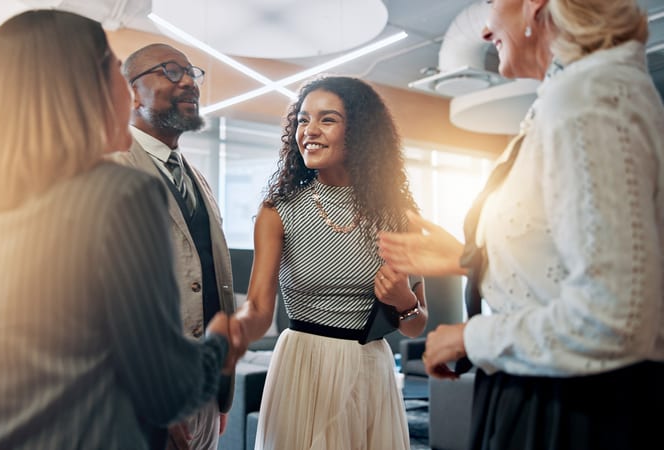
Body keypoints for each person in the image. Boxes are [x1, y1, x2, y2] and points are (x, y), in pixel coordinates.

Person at [0, 10, 238, 450]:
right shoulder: (120, 194)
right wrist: (222, 342)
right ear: (94, 87)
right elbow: (165, 390)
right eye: (111, 67)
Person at [378, 0, 664, 448]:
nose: (486, 29)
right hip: (548, 393)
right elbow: (559, 255)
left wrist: (472, 337)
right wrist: (466, 259)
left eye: (491, 3)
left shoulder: (587, 100)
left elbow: (616, 320)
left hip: (572, 410)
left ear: (536, 6)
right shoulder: (573, 95)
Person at [233, 75, 428, 450]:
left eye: (327, 119)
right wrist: (232, 332)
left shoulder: (398, 218)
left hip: (370, 369)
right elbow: (258, 308)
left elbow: (416, 326)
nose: (309, 131)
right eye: (303, 120)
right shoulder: (278, 212)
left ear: (360, 132)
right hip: (302, 369)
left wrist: (403, 300)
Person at [108, 43, 236, 450]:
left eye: (193, 74)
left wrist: (220, 391)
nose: (190, 84)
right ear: (130, 92)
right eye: (170, 71)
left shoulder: (198, 178)